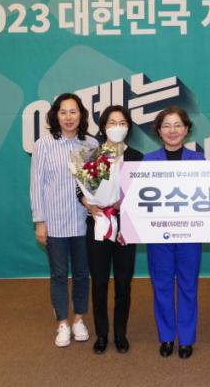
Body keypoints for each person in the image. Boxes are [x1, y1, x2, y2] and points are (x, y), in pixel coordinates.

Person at [30, 93, 98, 347]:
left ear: (81, 115)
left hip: (83, 221)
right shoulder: (44, 145)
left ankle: (79, 319)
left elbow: (98, 184)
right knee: (59, 274)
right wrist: (40, 221)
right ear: (55, 116)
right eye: (63, 112)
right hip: (55, 222)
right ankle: (62, 323)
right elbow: (36, 185)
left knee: (82, 273)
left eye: (73, 112)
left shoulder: (91, 144)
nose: (68, 117)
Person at [81, 106, 143, 355]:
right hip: (98, 225)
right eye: (112, 122)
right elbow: (80, 186)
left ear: (129, 127)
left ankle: (120, 333)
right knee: (99, 282)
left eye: (122, 122)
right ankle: (101, 334)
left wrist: (124, 202)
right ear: (103, 127)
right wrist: (86, 201)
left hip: (125, 227)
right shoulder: (92, 154)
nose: (117, 127)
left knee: (124, 284)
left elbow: (143, 192)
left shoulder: (137, 157)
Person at [143, 106, 204, 359]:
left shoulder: (199, 161)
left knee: (189, 286)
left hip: (190, 235)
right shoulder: (147, 161)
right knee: (162, 286)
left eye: (178, 125)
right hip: (158, 236)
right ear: (158, 131)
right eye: (166, 125)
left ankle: (186, 339)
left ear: (187, 129)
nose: (172, 130)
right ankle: (167, 336)